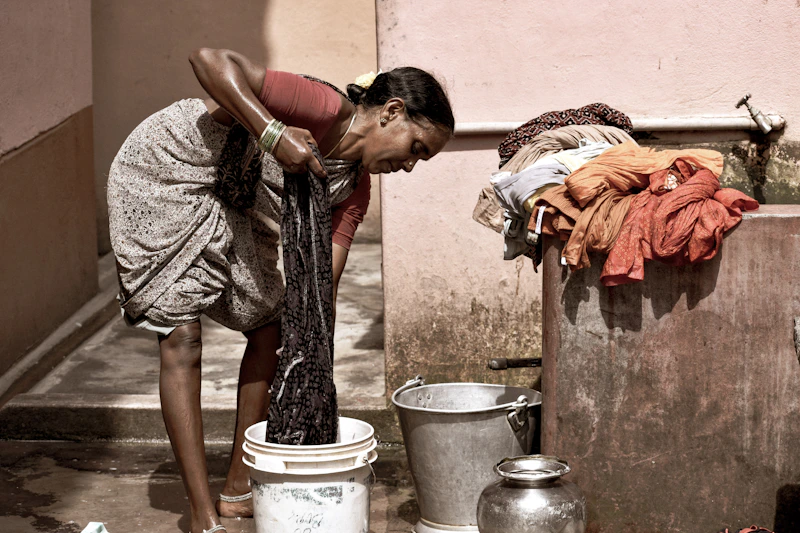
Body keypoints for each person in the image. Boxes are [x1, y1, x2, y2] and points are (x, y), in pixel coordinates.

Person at [106, 47, 454, 533]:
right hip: (172, 168)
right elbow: (208, 59)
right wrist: (272, 132)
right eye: (416, 148)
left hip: (233, 198)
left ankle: (236, 489)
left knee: (273, 331)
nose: (411, 166)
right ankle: (202, 512)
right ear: (392, 112)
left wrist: (310, 349)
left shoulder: (352, 191)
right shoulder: (324, 108)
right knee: (182, 337)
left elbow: (319, 285)